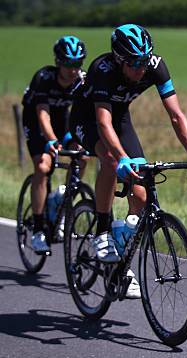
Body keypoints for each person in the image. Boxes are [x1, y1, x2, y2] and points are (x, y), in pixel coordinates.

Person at [70, 24, 187, 298]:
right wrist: (121, 159)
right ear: (119, 60)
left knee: (142, 194)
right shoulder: (103, 69)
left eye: (144, 61)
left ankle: (121, 262)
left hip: (120, 118)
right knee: (110, 161)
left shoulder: (156, 67)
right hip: (88, 118)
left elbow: (176, 115)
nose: (141, 69)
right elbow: (102, 122)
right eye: (134, 63)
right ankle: (102, 231)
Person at [22, 36, 87, 254]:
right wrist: (51, 141)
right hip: (36, 122)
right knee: (43, 166)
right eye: (68, 64)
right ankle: (39, 227)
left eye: (77, 64)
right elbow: (42, 114)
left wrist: (84, 141)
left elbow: (84, 113)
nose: (72, 70)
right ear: (58, 62)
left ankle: (62, 203)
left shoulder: (81, 81)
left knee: (83, 156)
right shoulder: (44, 77)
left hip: (62, 122)